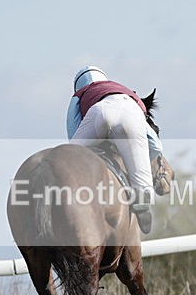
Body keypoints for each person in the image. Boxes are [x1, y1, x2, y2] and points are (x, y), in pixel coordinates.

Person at [66, 66, 163, 234]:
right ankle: (143, 206)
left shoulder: (79, 95)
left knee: (69, 156)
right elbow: (155, 145)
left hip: (99, 112)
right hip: (131, 113)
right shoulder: (124, 91)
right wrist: (135, 160)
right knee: (142, 187)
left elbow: (72, 132)